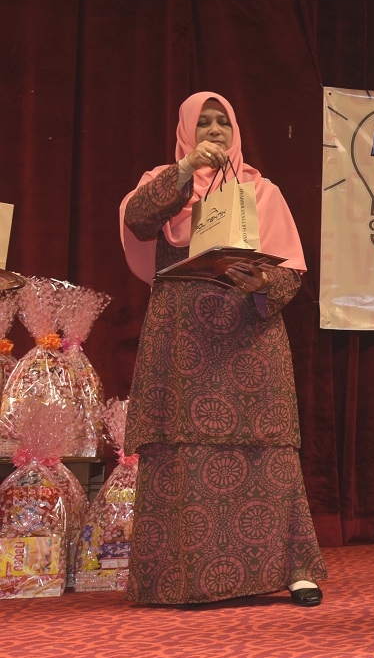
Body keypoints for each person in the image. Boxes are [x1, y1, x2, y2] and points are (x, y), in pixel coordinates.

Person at [119, 91, 326, 607]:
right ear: (186, 131)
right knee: (182, 452)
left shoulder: (263, 190)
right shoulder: (163, 181)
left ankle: (294, 570)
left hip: (248, 338)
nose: (215, 131)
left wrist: (262, 281)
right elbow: (139, 219)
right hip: (181, 340)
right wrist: (186, 169)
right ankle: (184, 578)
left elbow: (291, 275)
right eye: (204, 123)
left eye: (223, 123)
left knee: (267, 450)